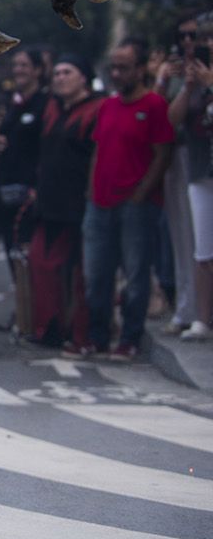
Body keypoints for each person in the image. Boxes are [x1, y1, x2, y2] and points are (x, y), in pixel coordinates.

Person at [84, 38, 175, 362]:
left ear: (140, 69)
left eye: (124, 68)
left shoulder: (154, 106)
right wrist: (91, 190)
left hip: (135, 205)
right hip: (100, 202)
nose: (117, 73)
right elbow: (98, 149)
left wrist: (141, 193)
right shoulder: (107, 106)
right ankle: (97, 337)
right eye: (114, 68)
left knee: (136, 275)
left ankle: (130, 339)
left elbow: (163, 154)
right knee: (97, 275)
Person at [28, 55, 102, 354]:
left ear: (83, 77)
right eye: (56, 73)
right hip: (50, 202)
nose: (59, 78)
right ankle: (49, 329)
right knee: (41, 263)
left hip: (83, 201)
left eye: (67, 72)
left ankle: (82, 334)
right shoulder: (51, 108)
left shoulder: (98, 108)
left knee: (84, 273)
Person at [0, 47, 48, 327]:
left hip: (31, 189)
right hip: (6, 187)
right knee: (14, 252)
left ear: (38, 70)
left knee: (30, 252)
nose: (19, 70)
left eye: (25, 65)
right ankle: (23, 311)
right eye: (16, 65)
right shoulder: (13, 104)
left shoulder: (45, 104)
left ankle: (37, 311)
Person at [155, 11, 202, 334]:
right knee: (183, 237)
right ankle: (188, 309)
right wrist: (165, 80)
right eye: (182, 36)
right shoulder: (175, 72)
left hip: (204, 158)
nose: (188, 43)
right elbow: (164, 120)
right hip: (181, 156)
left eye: (194, 36)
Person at [169, 15, 213, 343]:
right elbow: (173, 119)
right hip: (200, 168)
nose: (203, 45)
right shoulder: (194, 76)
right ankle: (201, 319)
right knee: (202, 249)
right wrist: (188, 85)